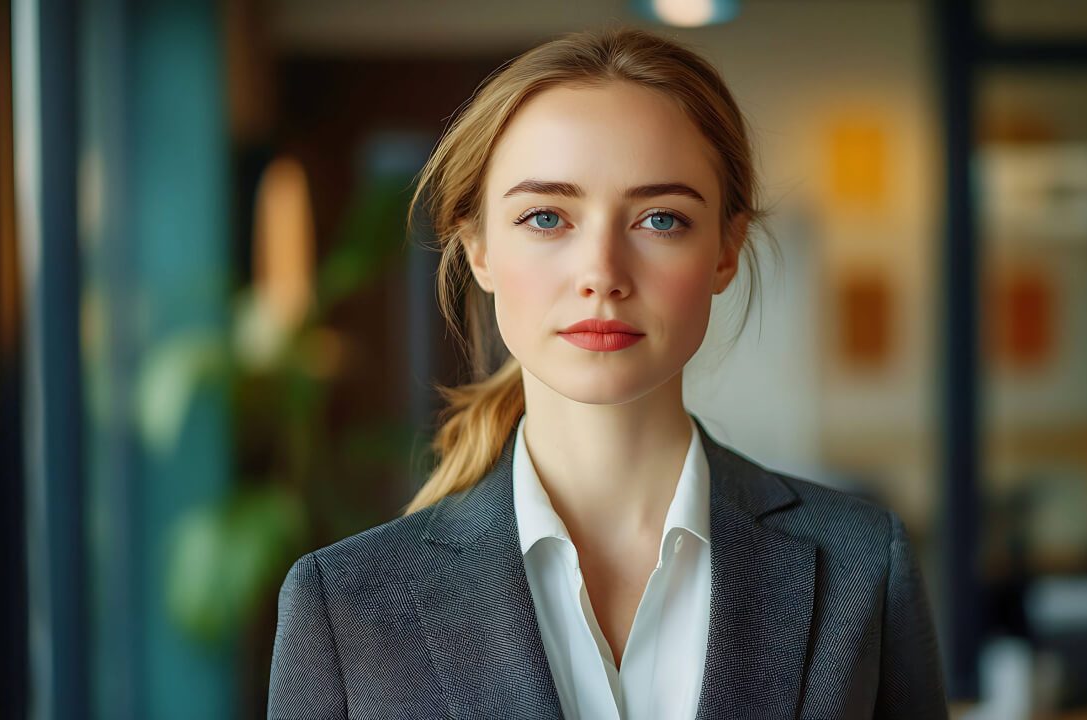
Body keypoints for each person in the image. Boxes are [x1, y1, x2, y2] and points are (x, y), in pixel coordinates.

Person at [267, 26, 947, 720]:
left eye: (660, 219)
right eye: (545, 217)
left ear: (725, 249)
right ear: (478, 249)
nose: (602, 274)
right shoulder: (346, 603)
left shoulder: (861, 568)